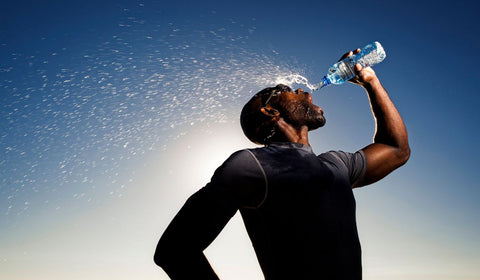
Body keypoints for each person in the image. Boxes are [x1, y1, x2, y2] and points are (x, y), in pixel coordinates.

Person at [153, 47, 410, 280]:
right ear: (270, 112)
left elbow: (396, 149)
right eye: (286, 91)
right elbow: (174, 251)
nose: (303, 91)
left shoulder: (337, 165)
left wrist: (371, 82)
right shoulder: (251, 166)